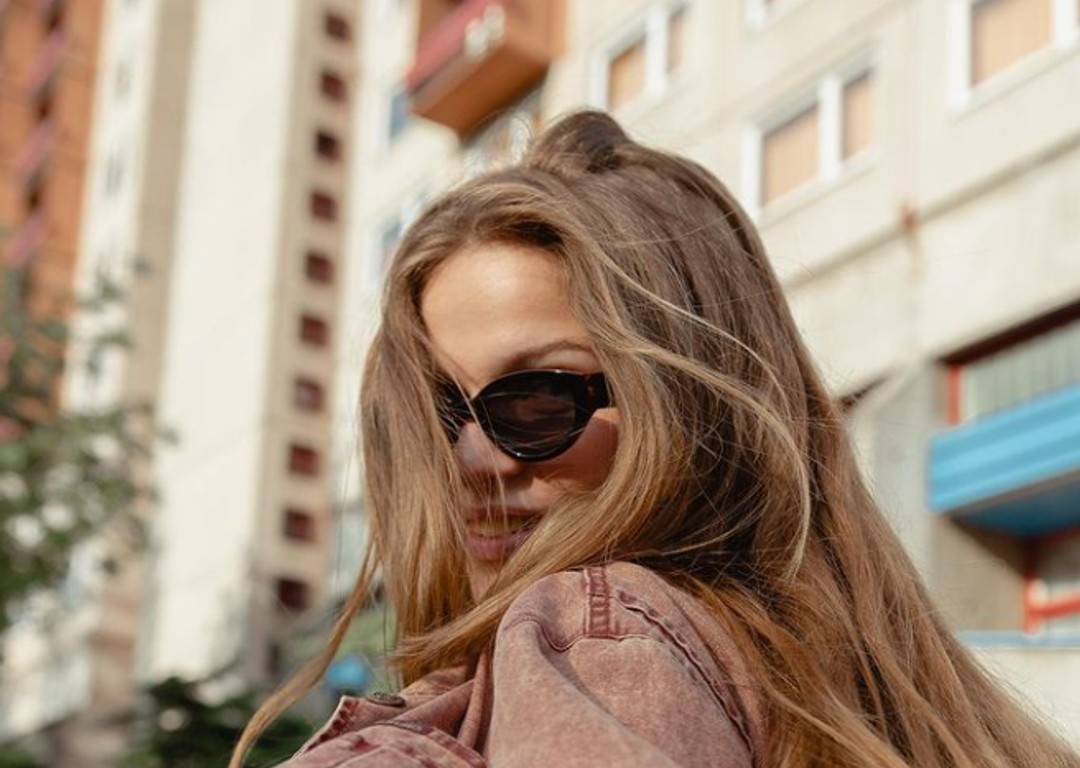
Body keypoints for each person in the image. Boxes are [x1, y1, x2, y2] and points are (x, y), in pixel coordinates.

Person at [231, 111, 1079, 768]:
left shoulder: (593, 630)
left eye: (539, 399)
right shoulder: (840, 698)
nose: (470, 462)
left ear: (691, 402)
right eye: (436, 415)